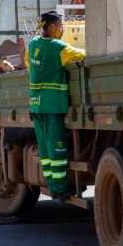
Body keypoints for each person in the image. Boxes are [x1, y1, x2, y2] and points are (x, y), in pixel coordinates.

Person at [27, 11, 85, 200]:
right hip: (53, 106)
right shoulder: (59, 48)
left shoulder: (33, 44)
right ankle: (60, 190)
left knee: (44, 149)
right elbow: (83, 55)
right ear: (51, 27)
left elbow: (28, 63)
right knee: (57, 148)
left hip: (36, 105)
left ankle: (52, 185)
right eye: (61, 26)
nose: (63, 30)